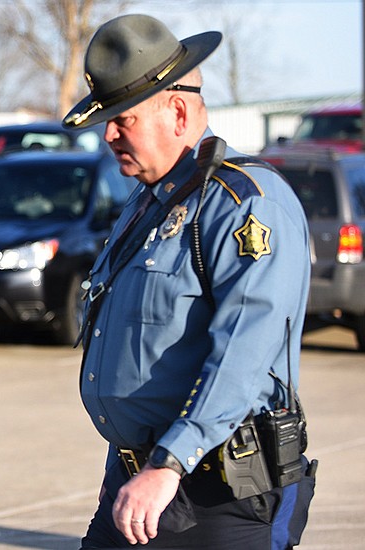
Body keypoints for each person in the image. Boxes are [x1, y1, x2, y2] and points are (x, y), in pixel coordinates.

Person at [63, 14, 316, 549]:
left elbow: (243, 354)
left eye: (122, 119)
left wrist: (169, 463)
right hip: (138, 483)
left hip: (219, 494)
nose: (107, 134)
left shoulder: (246, 202)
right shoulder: (147, 203)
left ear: (176, 111)